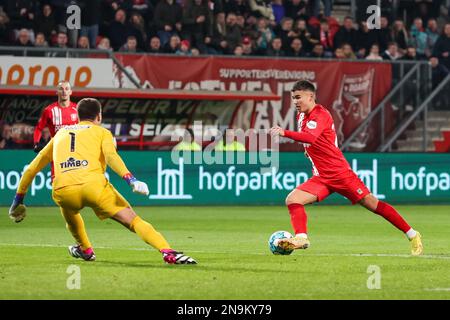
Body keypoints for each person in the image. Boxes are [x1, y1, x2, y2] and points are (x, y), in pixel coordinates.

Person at [8, 98, 196, 265]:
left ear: (77, 115)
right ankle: (167, 251)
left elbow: (32, 168)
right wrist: (130, 178)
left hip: (63, 189)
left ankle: (86, 250)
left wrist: (18, 201)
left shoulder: (60, 134)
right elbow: (112, 156)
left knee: (68, 209)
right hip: (94, 187)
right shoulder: (101, 132)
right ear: (99, 116)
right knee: (132, 220)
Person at [270, 80, 423, 256]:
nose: (295, 102)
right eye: (293, 98)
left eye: (298, 97)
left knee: (373, 204)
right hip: (321, 177)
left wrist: (285, 133)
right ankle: (301, 238)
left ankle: (413, 234)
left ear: (310, 96)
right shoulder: (301, 116)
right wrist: (310, 152)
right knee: (293, 199)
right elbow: (318, 141)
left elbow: (310, 138)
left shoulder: (320, 114)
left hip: (340, 173)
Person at [33, 81, 78, 153]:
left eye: (66, 89)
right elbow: (39, 128)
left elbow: (85, 127)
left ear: (70, 92)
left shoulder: (77, 109)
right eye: (61, 89)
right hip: (56, 151)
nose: (64, 91)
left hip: (75, 151)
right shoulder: (49, 110)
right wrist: (36, 143)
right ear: (57, 92)